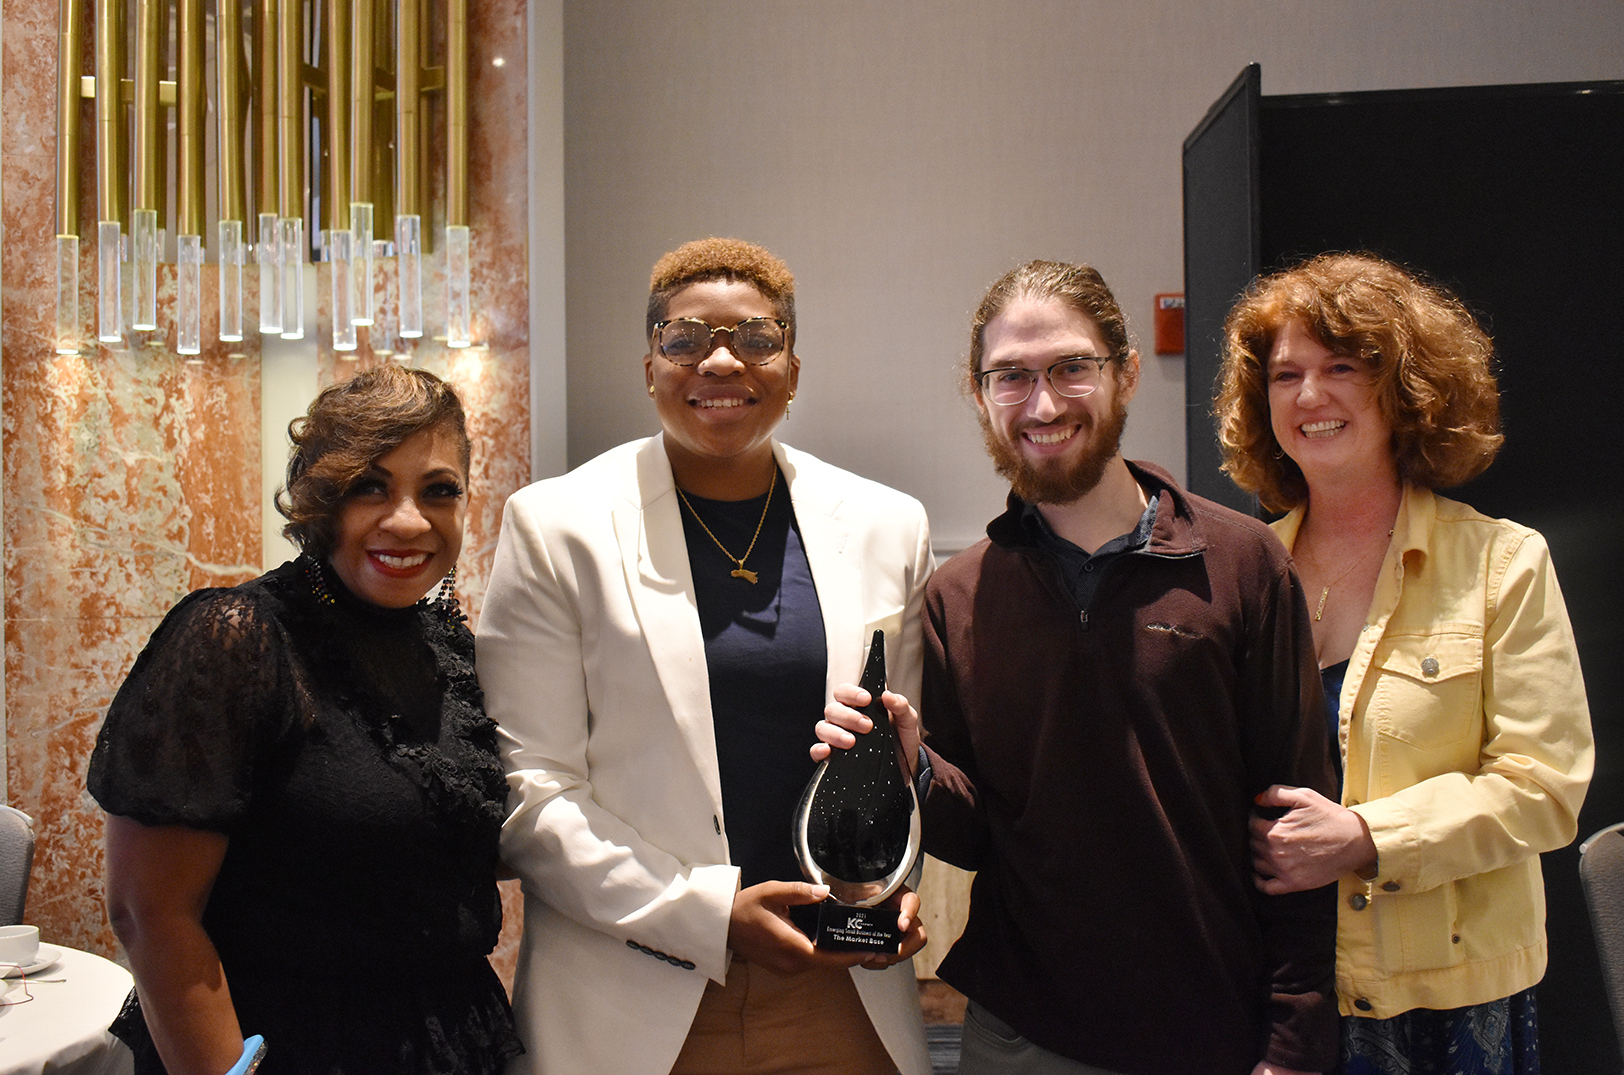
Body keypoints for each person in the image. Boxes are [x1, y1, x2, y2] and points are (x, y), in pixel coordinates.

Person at [819, 259, 1340, 1075]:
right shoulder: (959, 594)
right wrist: (913, 763)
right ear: (979, 394)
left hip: (1209, 1033)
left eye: (1071, 368)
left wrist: (1293, 1044)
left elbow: (1297, 821)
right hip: (1023, 1037)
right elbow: (978, 834)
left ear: (1126, 373)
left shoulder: (1242, 563)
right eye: (1012, 376)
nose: (1043, 404)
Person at [479, 237, 933, 1075]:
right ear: (649, 367)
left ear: (793, 369)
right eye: (685, 339)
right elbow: (531, 796)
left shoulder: (888, 526)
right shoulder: (557, 528)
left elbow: (895, 765)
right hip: (631, 999)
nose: (721, 361)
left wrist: (888, 891)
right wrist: (709, 914)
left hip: (839, 994)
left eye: (757, 338)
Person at [1217, 252, 1594, 1075]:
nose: (1309, 396)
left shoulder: (1503, 563)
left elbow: (1546, 787)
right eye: (1286, 375)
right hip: (1274, 992)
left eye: (1341, 368)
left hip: (1445, 1008)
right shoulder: (1237, 570)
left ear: (1406, 387)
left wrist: (1365, 836)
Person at [86, 366, 521, 1075]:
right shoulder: (238, 638)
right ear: (320, 500)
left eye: (439, 490)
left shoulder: (453, 650)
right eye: (369, 486)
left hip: (454, 1037)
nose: (409, 519)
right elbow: (149, 912)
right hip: (288, 1045)